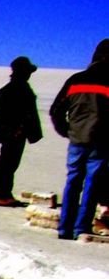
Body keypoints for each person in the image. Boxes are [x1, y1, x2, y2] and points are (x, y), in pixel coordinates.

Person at [50, 39, 109, 240]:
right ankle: (81, 228)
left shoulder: (75, 80)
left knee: (73, 182)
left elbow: (56, 111)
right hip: (101, 142)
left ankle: (64, 229)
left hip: (77, 140)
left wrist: (68, 131)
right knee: (92, 185)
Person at [0, 56, 42, 207]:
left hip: (14, 133)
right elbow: (9, 114)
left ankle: (2, 193)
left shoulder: (16, 88)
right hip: (13, 134)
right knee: (7, 164)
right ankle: (0, 194)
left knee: (9, 164)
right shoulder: (15, 89)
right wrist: (15, 131)